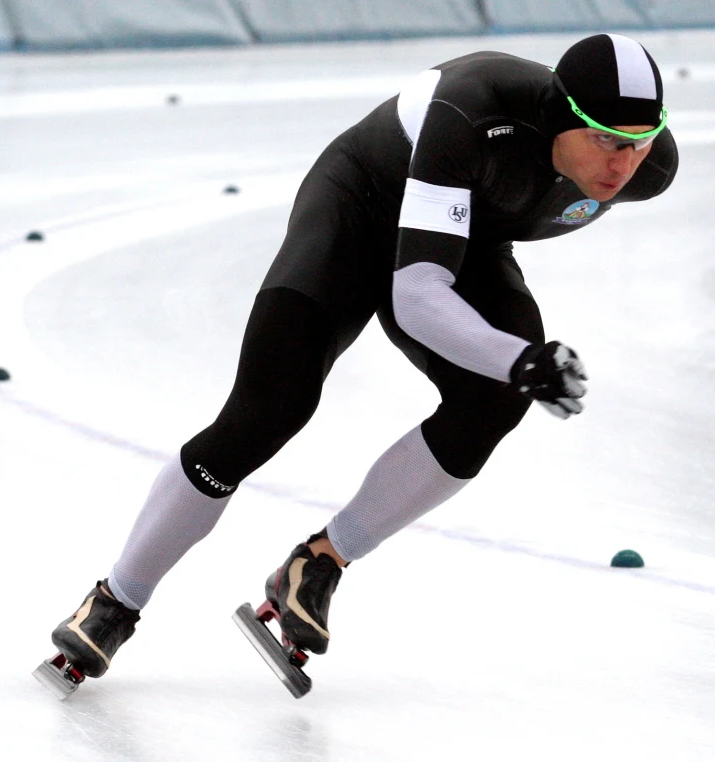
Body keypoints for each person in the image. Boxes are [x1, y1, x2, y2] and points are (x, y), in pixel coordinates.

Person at [47, 32, 678, 679]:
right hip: (358, 212)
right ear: (558, 115)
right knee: (270, 410)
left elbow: (462, 252)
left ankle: (318, 562)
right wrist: (520, 358)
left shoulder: (650, 169)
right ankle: (114, 601)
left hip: (465, 234)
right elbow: (416, 294)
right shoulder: (475, 108)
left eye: (640, 141)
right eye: (605, 138)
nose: (625, 163)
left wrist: (512, 368)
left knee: (494, 399)